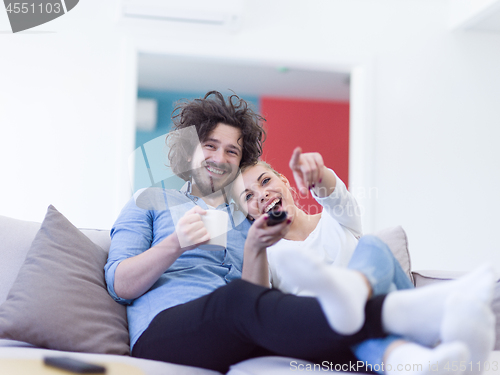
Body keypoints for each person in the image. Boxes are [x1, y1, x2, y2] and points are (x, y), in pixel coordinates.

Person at [105, 91, 494, 374]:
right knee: (236, 300)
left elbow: (258, 296)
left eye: (233, 151)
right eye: (210, 146)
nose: (221, 159)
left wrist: (256, 245)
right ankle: (432, 307)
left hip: (237, 335)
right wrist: (176, 244)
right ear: (190, 149)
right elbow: (120, 283)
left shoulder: (247, 217)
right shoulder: (151, 198)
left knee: (333, 337)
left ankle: (431, 356)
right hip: (166, 334)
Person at [233, 147, 496, 375]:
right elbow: (256, 308)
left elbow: (333, 192)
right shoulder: (269, 254)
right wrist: (255, 245)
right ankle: (428, 345)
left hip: (385, 313)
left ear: (284, 180)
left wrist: (316, 173)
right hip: (340, 334)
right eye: (248, 197)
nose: (262, 194)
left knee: (372, 244)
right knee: (355, 326)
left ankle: (355, 294)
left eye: (265, 181)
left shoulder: (335, 219)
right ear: (248, 215)